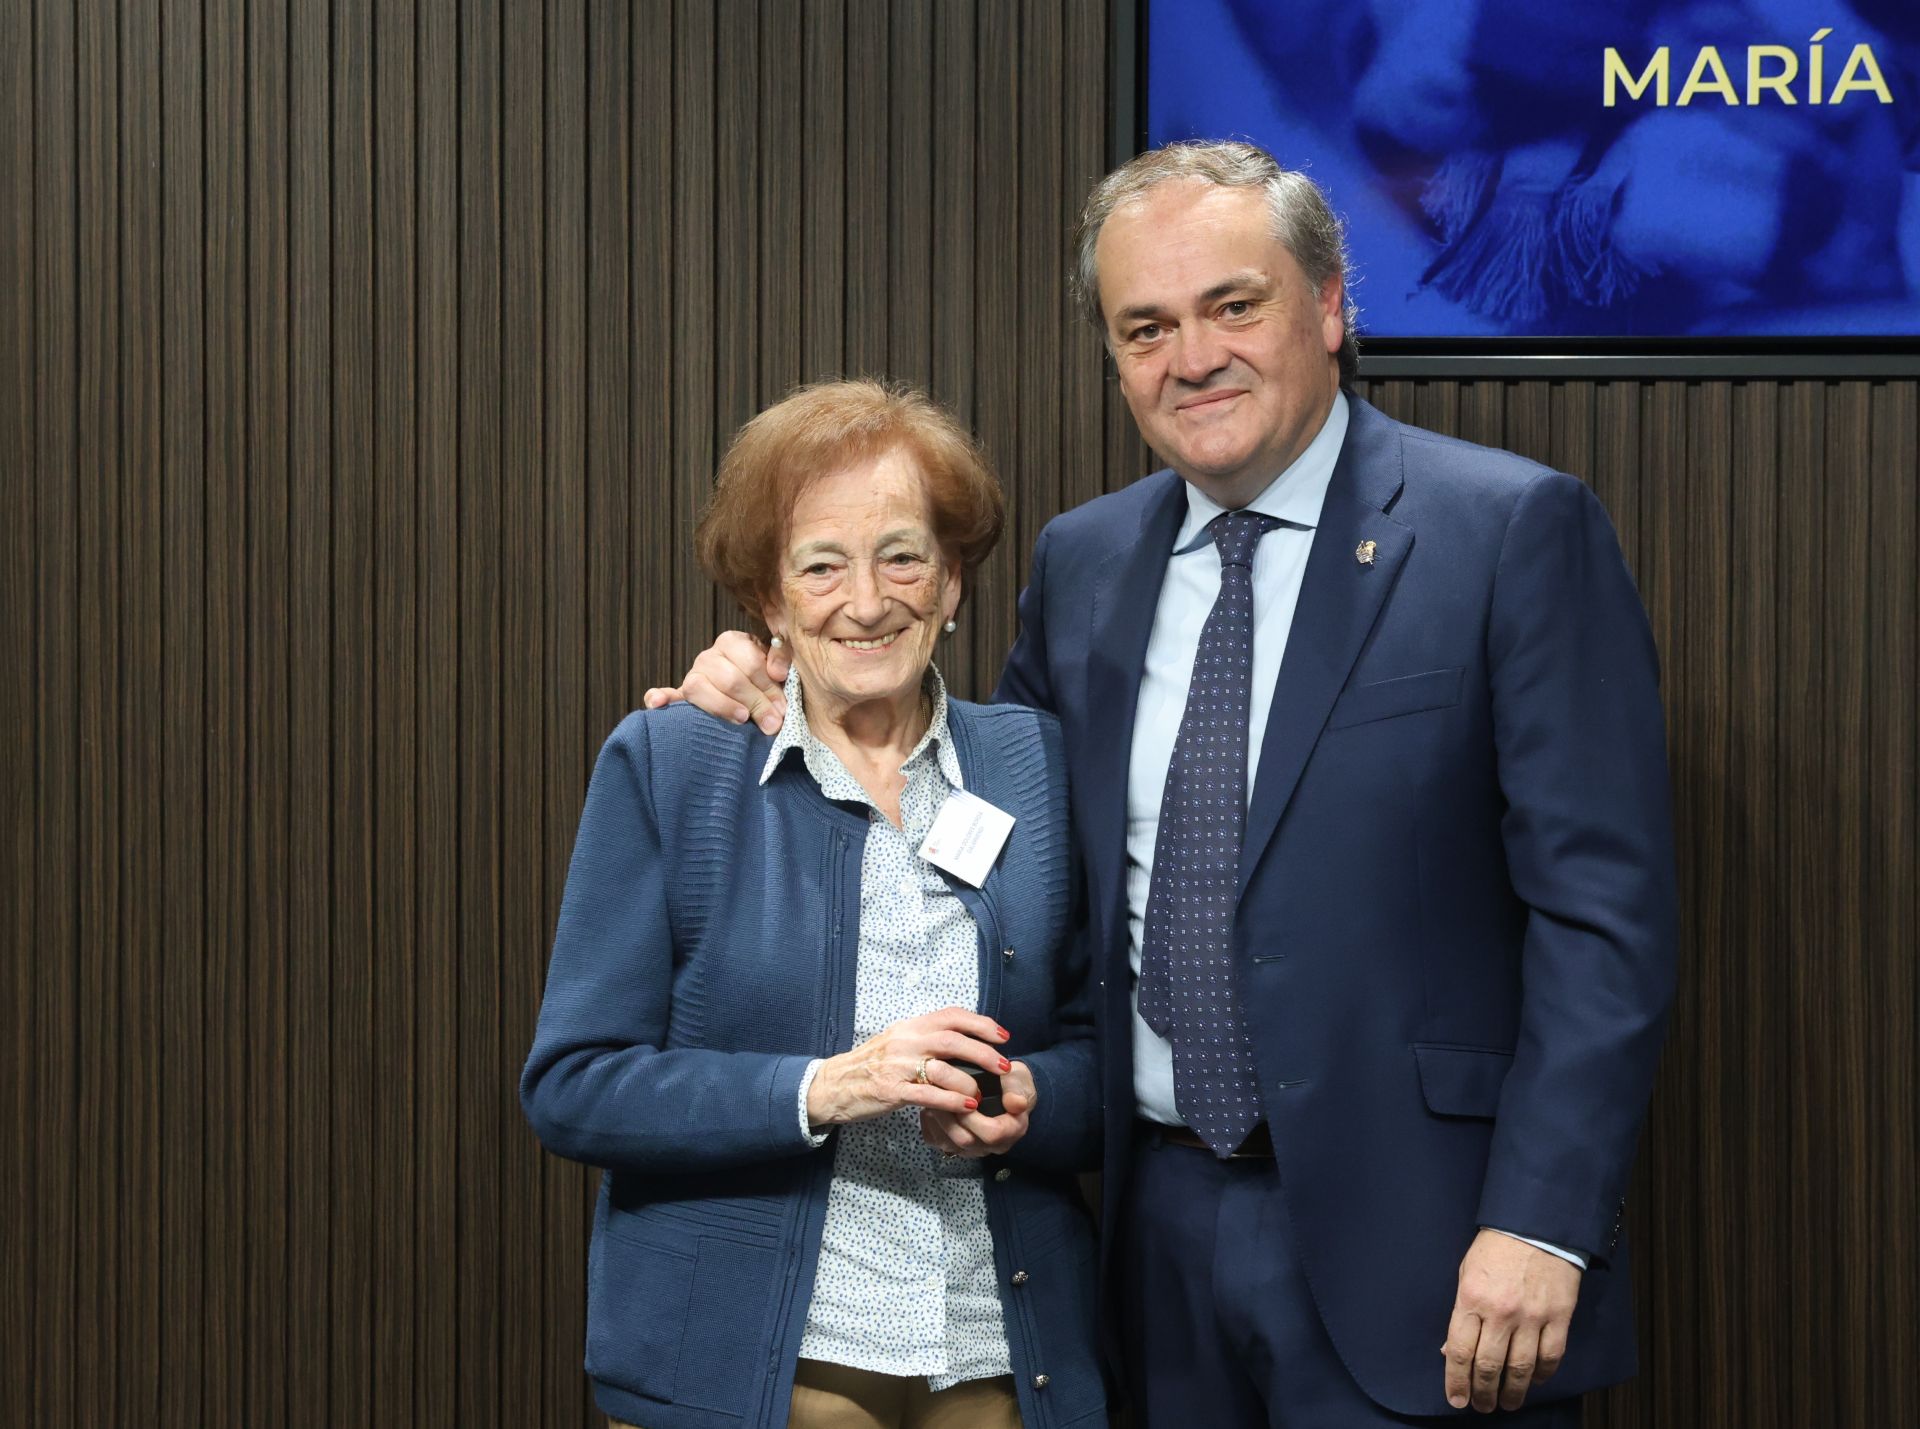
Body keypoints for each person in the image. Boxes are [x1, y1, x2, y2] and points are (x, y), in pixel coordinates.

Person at [652, 142, 1676, 1427]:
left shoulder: (1509, 532)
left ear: (1329, 305)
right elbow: (965, 812)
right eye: (1147, 327)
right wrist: (761, 684)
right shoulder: (1084, 566)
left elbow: (1607, 925)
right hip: (1148, 1239)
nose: (1192, 357)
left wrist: (1544, 1219)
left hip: (1433, 1245)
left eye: (1231, 306)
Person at [524, 379, 1107, 1429]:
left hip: (998, 1360)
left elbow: (1106, 1051)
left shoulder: (1032, 764)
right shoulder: (674, 764)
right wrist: (826, 1089)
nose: (868, 599)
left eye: (902, 555)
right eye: (821, 565)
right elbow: (575, 1085)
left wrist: (1033, 1099)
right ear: (768, 597)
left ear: (955, 580)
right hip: (761, 1367)